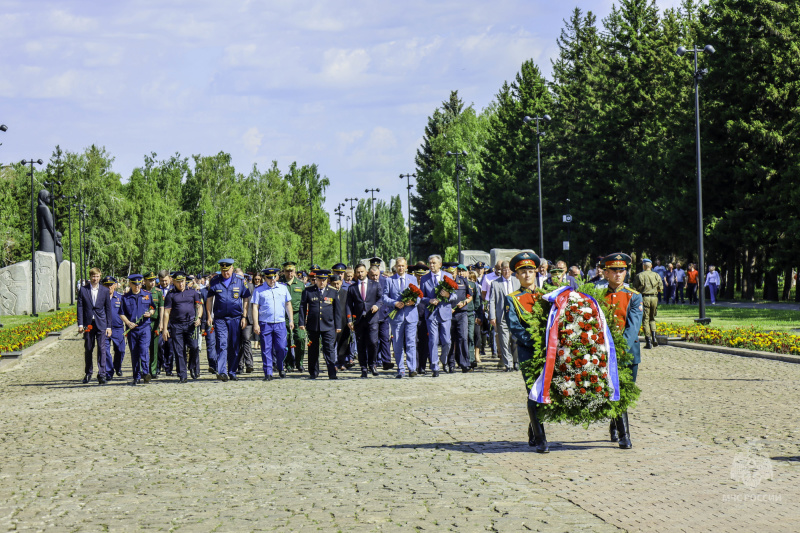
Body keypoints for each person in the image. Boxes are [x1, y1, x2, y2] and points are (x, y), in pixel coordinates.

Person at [503, 251, 548, 453]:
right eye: (523, 272)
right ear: (517, 275)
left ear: (536, 272)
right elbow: (515, 326)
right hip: (528, 351)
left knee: (546, 393)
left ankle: (534, 428)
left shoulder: (547, 296)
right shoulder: (512, 299)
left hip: (549, 351)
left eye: (530, 270)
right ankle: (540, 438)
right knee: (533, 392)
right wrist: (534, 342)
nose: (527, 275)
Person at [602, 253, 643, 449]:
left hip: (628, 352)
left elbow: (633, 326)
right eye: (614, 271)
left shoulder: (633, 296)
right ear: (606, 273)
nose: (619, 274)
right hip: (606, 352)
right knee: (616, 392)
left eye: (622, 270)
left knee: (625, 391)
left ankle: (614, 423)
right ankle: (624, 435)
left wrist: (620, 349)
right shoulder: (599, 297)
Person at [206, 258, 251, 381]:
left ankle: (232, 371)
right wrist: (209, 316)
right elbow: (209, 299)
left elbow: (246, 298)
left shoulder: (240, 281)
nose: (225, 273)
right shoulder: (215, 281)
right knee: (222, 343)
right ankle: (222, 372)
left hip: (236, 318)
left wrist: (244, 316)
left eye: (228, 270)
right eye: (223, 270)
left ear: (232, 268)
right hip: (220, 318)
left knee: (234, 345)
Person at [419, 255, 459, 377]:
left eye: (434, 263)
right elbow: (421, 296)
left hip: (445, 313)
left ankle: (444, 360)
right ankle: (435, 366)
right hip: (431, 314)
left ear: (440, 264)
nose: (431, 265)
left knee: (447, 341)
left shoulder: (447, 276)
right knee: (433, 340)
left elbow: (455, 296)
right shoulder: (424, 278)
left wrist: (447, 295)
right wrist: (428, 301)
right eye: (430, 263)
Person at [299, 270, 341, 379]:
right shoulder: (309, 291)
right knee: (313, 349)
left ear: (327, 280)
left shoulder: (332, 291)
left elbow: (337, 310)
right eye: (319, 280)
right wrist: (302, 322)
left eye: (324, 280)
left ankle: (332, 372)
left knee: (329, 349)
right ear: (315, 280)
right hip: (313, 325)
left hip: (328, 325)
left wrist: (338, 325)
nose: (322, 283)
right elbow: (303, 307)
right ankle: (313, 372)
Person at [381, 257, 419, 378]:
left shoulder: (412, 279)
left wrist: (414, 301)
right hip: (396, 316)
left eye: (403, 266)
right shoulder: (390, 280)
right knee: (397, 344)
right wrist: (394, 303)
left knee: (411, 343)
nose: (401, 268)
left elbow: (419, 296)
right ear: (396, 267)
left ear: (406, 266)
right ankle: (401, 369)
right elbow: (384, 297)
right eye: (399, 266)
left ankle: (412, 368)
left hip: (410, 315)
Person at [252, 267, 292, 380]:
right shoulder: (259, 290)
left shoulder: (283, 288)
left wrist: (291, 320)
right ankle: (268, 372)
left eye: (273, 278)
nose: (272, 280)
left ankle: (280, 366)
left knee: (282, 347)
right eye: (269, 278)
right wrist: (256, 324)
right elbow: (255, 307)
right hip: (265, 323)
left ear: (277, 277)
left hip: (280, 322)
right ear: (265, 278)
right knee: (266, 348)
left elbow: (288, 304)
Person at [162, 271, 203, 383]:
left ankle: (192, 366)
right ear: (174, 282)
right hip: (177, 326)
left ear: (186, 281)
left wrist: (198, 318)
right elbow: (166, 312)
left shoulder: (193, 292)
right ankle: (182, 375)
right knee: (179, 351)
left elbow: (199, 307)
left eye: (183, 281)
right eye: (178, 282)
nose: (181, 284)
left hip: (191, 325)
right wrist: (165, 329)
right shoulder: (171, 294)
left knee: (194, 347)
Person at [77, 267, 114, 384]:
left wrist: (109, 326)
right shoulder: (83, 290)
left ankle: (102, 374)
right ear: (90, 277)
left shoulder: (104, 290)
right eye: (93, 276)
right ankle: (88, 373)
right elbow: (80, 307)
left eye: (97, 277)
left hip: (101, 323)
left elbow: (108, 309)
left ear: (100, 277)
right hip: (88, 324)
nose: (95, 279)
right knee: (88, 348)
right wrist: (81, 324)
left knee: (102, 349)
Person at [347, 263, 383, 377]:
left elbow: (381, 298)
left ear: (366, 272)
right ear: (355, 274)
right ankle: (363, 367)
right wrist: (349, 319)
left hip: (372, 318)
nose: (360, 274)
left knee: (373, 342)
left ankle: (372, 364)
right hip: (359, 319)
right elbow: (348, 305)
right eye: (358, 272)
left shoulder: (375, 285)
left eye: (362, 271)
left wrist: (377, 305)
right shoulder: (352, 288)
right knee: (360, 344)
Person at [119, 274, 154, 385]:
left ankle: (145, 373)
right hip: (132, 329)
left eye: (139, 284)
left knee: (144, 350)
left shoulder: (147, 295)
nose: (137, 286)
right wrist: (128, 323)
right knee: (134, 352)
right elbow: (121, 313)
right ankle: (136, 376)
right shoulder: (125, 298)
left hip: (144, 328)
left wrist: (150, 313)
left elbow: (153, 307)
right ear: (130, 284)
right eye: (134, 284)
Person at [488, 261, 520, 372]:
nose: (506, 271)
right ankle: (508, 364)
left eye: (508, 269)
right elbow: (491, 300)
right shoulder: (495, 283)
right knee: (504, 340)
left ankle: (516, 362)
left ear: (511, 271)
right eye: (504, 269)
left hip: (516, 316)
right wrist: (492, 316)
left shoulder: (517, 281)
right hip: (502, 316)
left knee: (516, 339)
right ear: (501, 270)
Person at [448, 263, 473, 372]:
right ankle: (450, 364)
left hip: (461, 313)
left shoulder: (463, 281)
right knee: (449, 340)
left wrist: (464, 302)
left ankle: (464, 364)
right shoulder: (443, 283)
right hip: (448, 314)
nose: (451, 274)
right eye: (449, 273)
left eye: (453, 272)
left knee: (463, 337)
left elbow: (470, 296)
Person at [282, 261, 306, 373]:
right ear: (284, 271)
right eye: (287, 271)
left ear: (295, 271)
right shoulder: (280, 284)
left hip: (298, 315)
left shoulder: (300, 285)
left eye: (291, 271)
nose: (289, 273)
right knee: (285, 340)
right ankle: (289, 364)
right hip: (283, 316)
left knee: (300, 338)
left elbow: (305, 302)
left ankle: (299, 362)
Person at [633, 258, 662, 350]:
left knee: (645, 319)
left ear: (643, 266)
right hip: (654, 298)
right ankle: (654, 338)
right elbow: (660, 288)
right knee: (652, 318)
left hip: (644, 297)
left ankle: (648, 341)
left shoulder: (640, 275)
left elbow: (635, 288)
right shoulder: (657, 275)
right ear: (651, 266)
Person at [103, 276, 126, 378]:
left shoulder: (121, 298)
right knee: (105, 351)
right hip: (104, 328)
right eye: (106, 285)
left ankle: (117, 366)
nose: (109, 287)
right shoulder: (101, 298)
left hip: (118, 328)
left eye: (111, 285)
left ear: (115, 285)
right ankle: (109, 371)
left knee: (120, 350)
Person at [142, 271, 164, 378]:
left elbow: (161, 308)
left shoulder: (158, 292)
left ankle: (153, 369)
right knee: (143, 347)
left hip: (154, 322)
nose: (152, 282)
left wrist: (161, 323)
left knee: (155, 347)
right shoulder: (141, 291)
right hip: (143, 322)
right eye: (150, 280)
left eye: (153, 280)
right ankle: (143, 369)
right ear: (145, 281)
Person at [410, 262, 430, 374]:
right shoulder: (411, 285)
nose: (420, 277)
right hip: (412, 316)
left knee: (423, 342)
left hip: (424, 317)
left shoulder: (427, 284)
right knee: (413, 342)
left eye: (422, 275)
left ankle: (422, 366)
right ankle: (415, 366)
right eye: (418, 275)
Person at [157, 270, 174, 375]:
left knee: (170, 346)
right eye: (162, 281)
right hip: (159, 323)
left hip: (171, 321)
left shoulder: (173, 290)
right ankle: (158, 366)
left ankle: (168, 368)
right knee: (159, 345)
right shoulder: (156, 290)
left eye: (166, 280)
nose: (164, 283)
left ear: (170, 279)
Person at [465, 268, 482, 367]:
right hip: (459, 314)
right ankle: (462, 358)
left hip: (471, 313)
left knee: (471, 336)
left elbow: (477, 301)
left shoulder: (473, 285)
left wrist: (479, 315)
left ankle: (471, 359)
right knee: (463, 337)